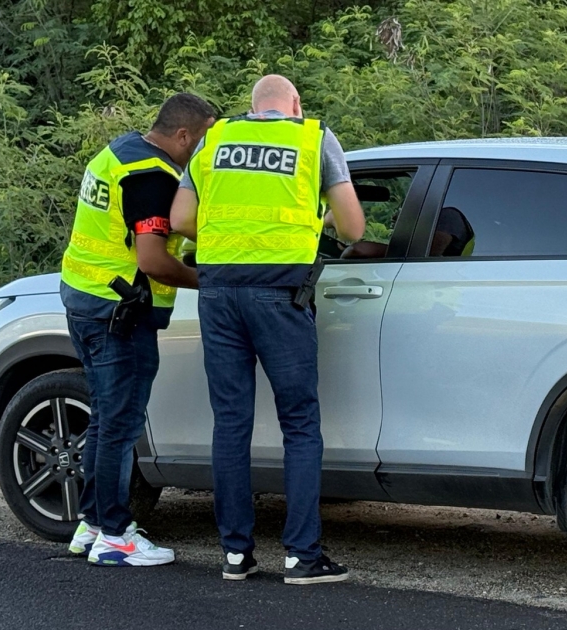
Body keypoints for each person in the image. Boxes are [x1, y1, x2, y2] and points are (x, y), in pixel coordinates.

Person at [169, 75, 365, 585]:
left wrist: (231, 235)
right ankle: (302, 556)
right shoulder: (314, 138)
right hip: (280, 296)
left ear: (252, 108)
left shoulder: (215, 140)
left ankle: (235, 554)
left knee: (230, 423)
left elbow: (181, 218)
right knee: (299, 423)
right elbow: (353, 229)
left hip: (217, 295)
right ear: (295, 104)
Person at [61, 93, 215, 566]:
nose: (205, 155)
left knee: (107, 417)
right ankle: (115, 535)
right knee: (121, 423)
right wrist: (205, 279)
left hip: (86, 298)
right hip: (119, 313)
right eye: (204, 142)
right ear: (184, 135)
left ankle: (91, 524)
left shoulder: (122, 150)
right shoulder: (152, 176)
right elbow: (152, 259)